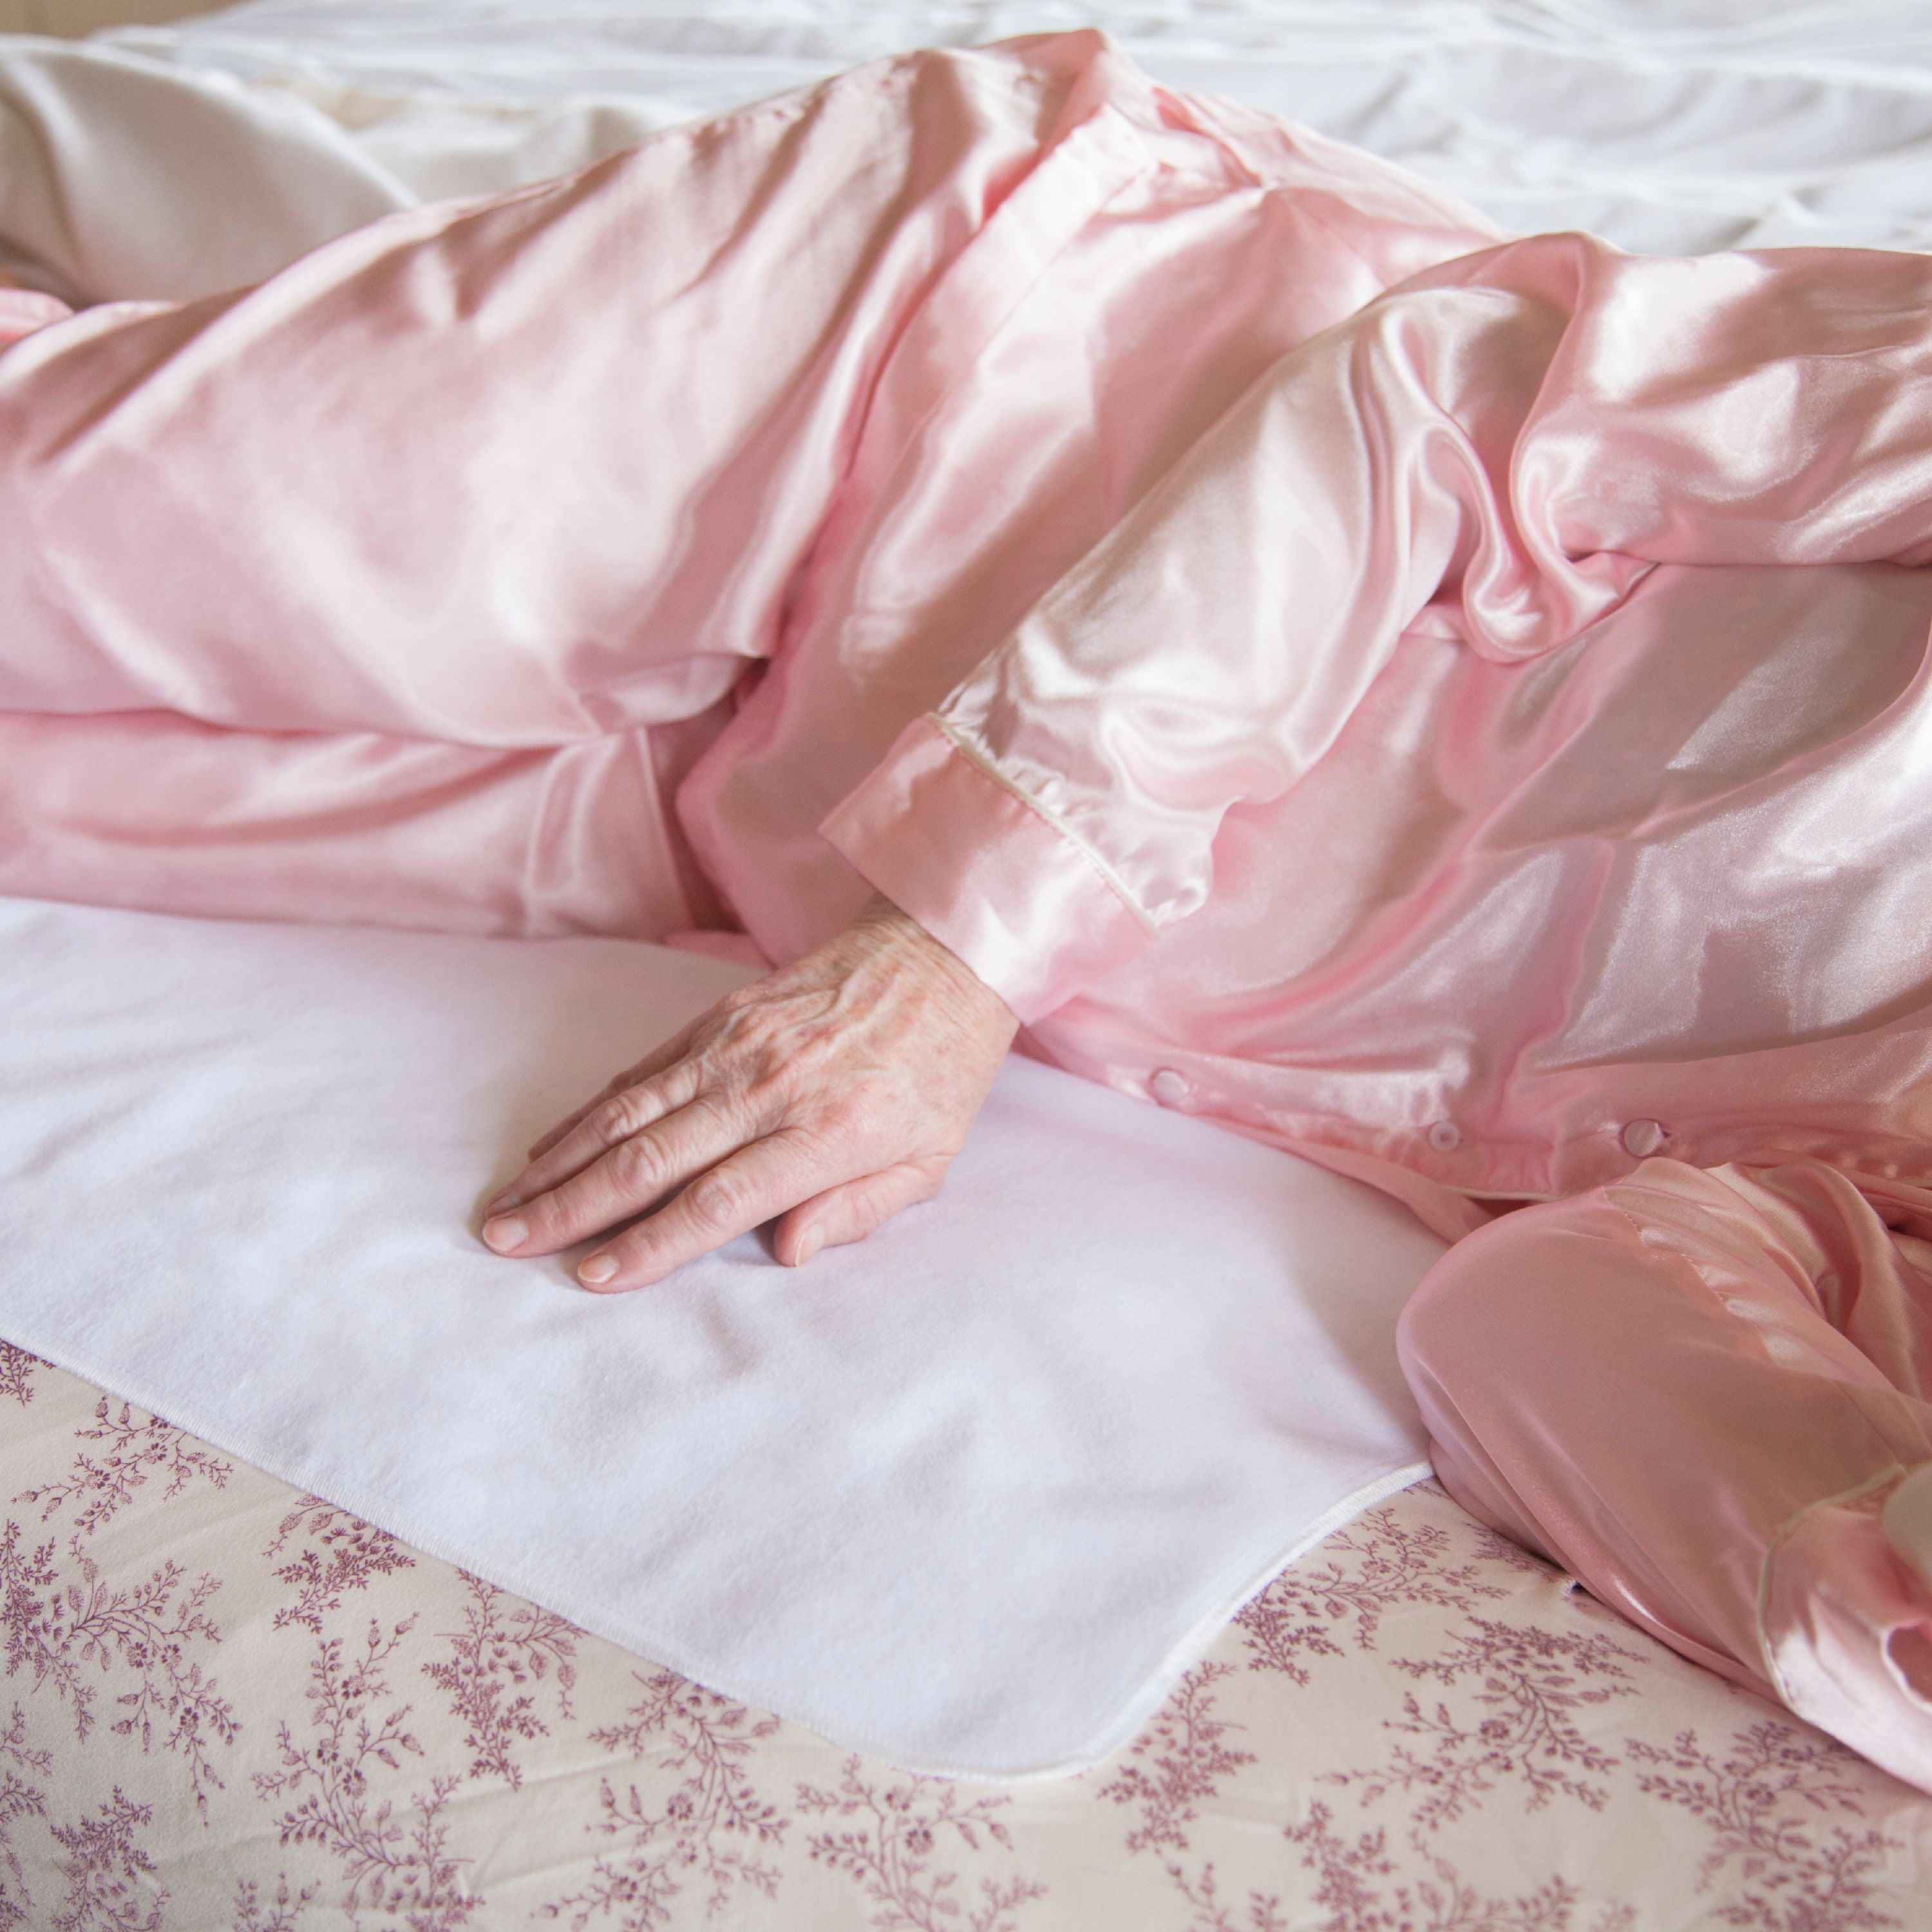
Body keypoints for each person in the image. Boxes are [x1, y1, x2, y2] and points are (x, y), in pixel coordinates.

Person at [4, 30, 1932, 1793]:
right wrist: (956, 947)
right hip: (928, 399)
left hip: (751, 858)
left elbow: (1550, 1315)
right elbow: (1447, 380)